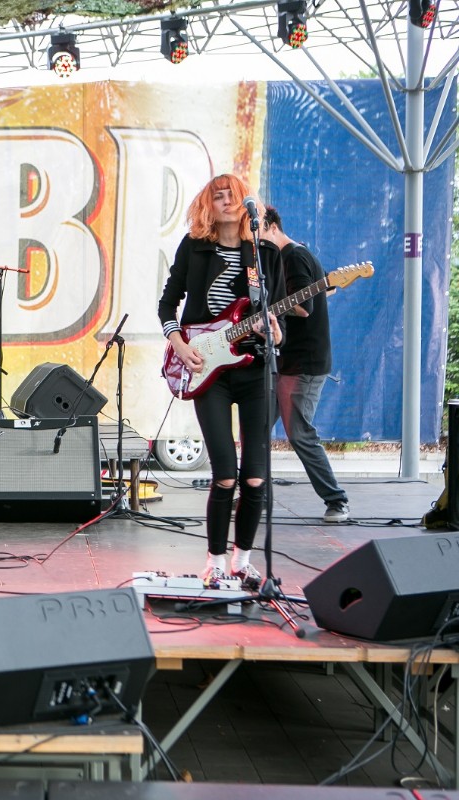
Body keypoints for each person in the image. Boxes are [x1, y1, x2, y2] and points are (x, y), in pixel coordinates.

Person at [157, 175, 284, 589]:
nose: (227, 201)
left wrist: (275, 331)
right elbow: (167, 303)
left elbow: (274, 317)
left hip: (254, 368)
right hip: (207, 369)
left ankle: (241, 561)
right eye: (218, 196)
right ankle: (213, 561)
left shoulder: (262, 253)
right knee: (225, 473)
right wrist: (178, 344)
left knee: (255, 477)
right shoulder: (194, 247)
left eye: (232, 194)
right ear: (207, 205)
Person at [262, 207, 349, 523]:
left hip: (304, 362)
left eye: (257, 232)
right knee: (257, 428)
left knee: (299, 433)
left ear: (272, 227)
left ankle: (337, 500)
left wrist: (267, 309)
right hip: (284, 359)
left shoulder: (294, 256)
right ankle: (255, 495)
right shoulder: (287, 257)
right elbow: (328, 288)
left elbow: (303, 306)